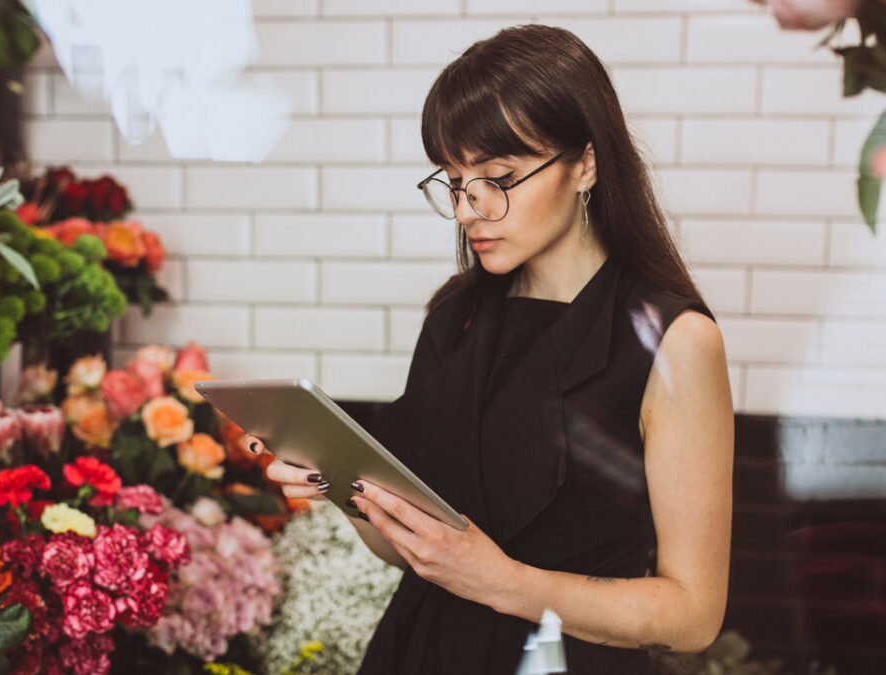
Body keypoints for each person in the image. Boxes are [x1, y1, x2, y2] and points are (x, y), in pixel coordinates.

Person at [245, 24, 734, 674]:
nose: (470, 208)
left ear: (586, 162)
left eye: (498, 177)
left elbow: (692, 615)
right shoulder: (457, 318)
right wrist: (340, 483)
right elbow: (414, 550)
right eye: (454, 182)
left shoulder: (674, 341)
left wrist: (501, 580)